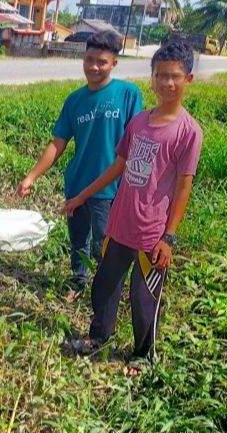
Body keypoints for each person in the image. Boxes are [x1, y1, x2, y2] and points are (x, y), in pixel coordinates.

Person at [61, 42, 203, 376]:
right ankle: (99, 337)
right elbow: (117, 167)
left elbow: (184, 186)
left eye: (175, 77)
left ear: (188, 80)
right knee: (104, 286)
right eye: (161, 76)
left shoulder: (188, 132)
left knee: (143, 299)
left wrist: (169, 237)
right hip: (120, 223)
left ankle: (142, 355)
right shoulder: (139, 122)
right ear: (151, 79)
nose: (167, 83)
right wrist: (83, 196)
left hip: (152, 233)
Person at [15, 30, 143, 301]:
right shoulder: (74, 100)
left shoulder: (128, 94)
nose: (94, 67)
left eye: (102, 62)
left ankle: (107, 293)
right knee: (78, 242)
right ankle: (78, 283)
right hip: (76, 184)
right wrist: (31, 177)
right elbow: (57, 144)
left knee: (103, 246)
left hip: (109, 188)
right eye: (89, 59)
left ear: (114, 64)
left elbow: (136, 143)